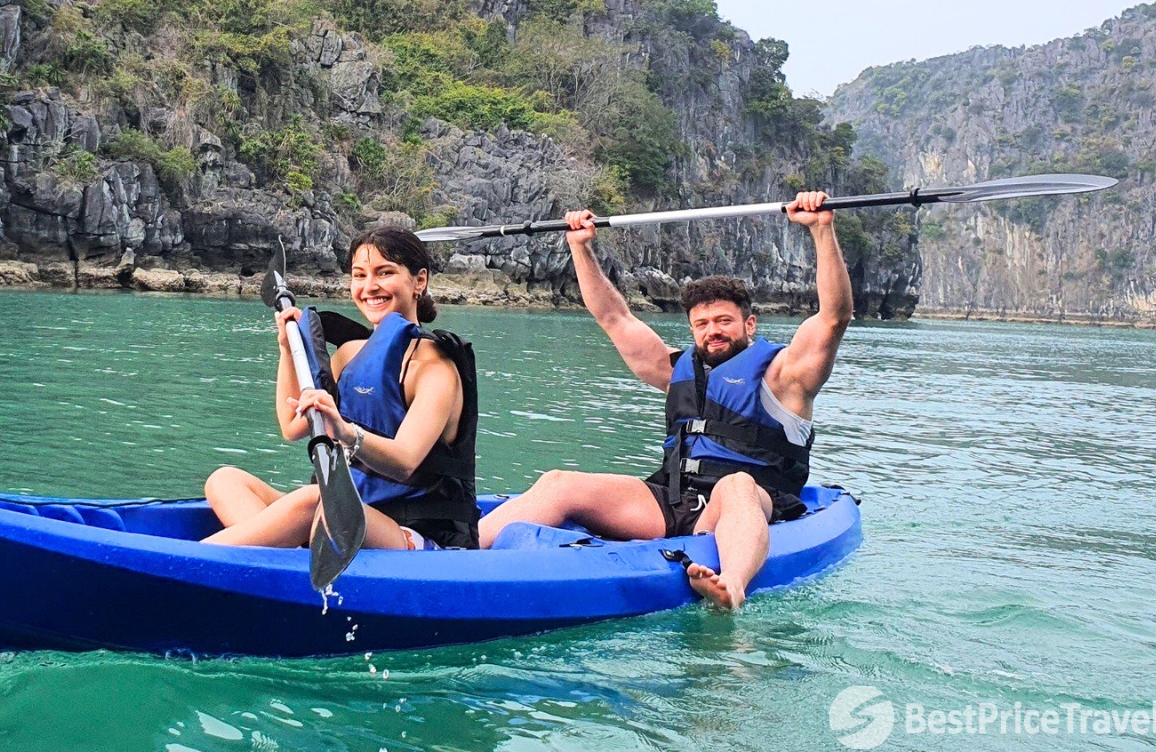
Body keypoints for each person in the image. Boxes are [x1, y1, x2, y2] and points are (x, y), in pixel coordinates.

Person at [478, 191, 852, 609]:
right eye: (702, 324)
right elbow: (614, 317)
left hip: (748, 502)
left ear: (749, 324)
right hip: (673, 501)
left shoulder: (786, 377)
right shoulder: (677, 371)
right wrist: (579, 247)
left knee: (737, 485)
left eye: (724, 321)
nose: (713, 330)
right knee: (559, 483)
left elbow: (833, 317)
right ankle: (456, 552)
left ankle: (732, 586)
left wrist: (822, 230)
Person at [203, 226, 481, 551]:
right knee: (225, 481)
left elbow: (405, 461)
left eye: (385, 272)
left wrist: (345, 431)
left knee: (314, 502)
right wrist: (285, 350)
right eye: (359, 275)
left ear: (419, 281)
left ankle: (192, 561)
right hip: (346, 515)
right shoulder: (350, 354)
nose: (369, 287)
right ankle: (276, 550)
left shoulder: (436, 369)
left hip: (414, 537)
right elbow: (293, 425)